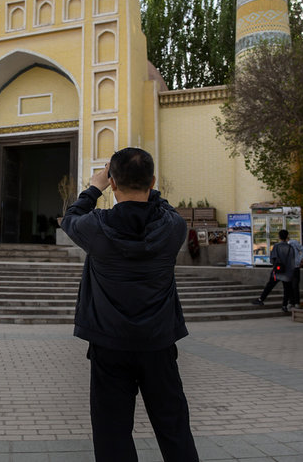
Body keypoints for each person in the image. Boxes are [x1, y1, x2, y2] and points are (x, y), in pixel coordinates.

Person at [61, 147, 199, 462]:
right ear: (152, 182)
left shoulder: (96, 227)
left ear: (113, 182)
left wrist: (94, 188)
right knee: (174, 429)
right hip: (159, 343)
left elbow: (70, 218)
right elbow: (166, 207)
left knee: (112, 433)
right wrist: (148, 188)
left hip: (109, 344)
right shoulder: (173, 227)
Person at [251, 229, 296, 313]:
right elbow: (292, 261)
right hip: (287, 272)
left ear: (279, 237)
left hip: (278, 271)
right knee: (287, 289)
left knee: (270, 285)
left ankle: (261, 299)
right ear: (287, 237)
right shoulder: (290, 248)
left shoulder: (277, 246)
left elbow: (273, 258)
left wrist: (275, 264)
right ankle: (284, 305)